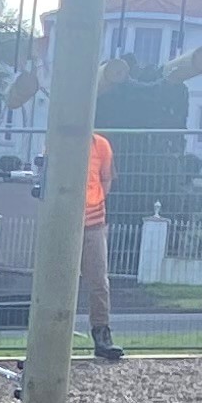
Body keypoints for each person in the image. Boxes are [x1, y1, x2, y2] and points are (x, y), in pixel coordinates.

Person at [78, 126, 124, 360]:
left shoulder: (101, 145)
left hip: (93, 223)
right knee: (56, 281)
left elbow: (106, 179)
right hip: (63, 224)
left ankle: (102, 335)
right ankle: (48, 339)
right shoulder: (57, 142)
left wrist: (93, 204)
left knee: (99, 281)